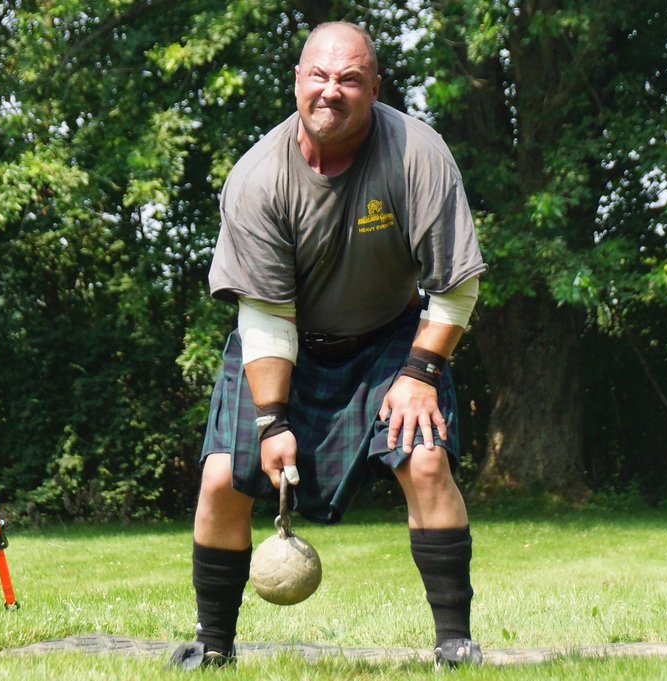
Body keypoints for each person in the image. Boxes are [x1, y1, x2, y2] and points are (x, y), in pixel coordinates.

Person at [168, 21, 487, 671]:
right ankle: (214, 643)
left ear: (375, 87)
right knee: (225, 476)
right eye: (318, 75)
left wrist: (421, 372)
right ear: (296, 82)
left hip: (394, 338)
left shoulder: (416, 154)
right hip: (289, 342)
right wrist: (271, 420)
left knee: (426, 462)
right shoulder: (259, 177)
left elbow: (456, 286)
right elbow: (265, 319)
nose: (331, 91)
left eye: (348, 78)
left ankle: (454, 640)